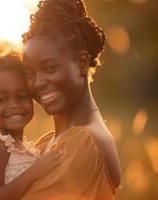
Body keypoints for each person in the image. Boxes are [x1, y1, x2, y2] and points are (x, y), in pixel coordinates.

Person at [21, 0, 121, 199]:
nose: (38, 82)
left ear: (82, 63)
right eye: (30, 73)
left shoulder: (84, 142)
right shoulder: (49, 142)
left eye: (50, 68)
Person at [0, 49, 63, 200]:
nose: (14, 105)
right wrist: (36, 171)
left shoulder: (22, 148)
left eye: (22, 97)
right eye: (1, 99)